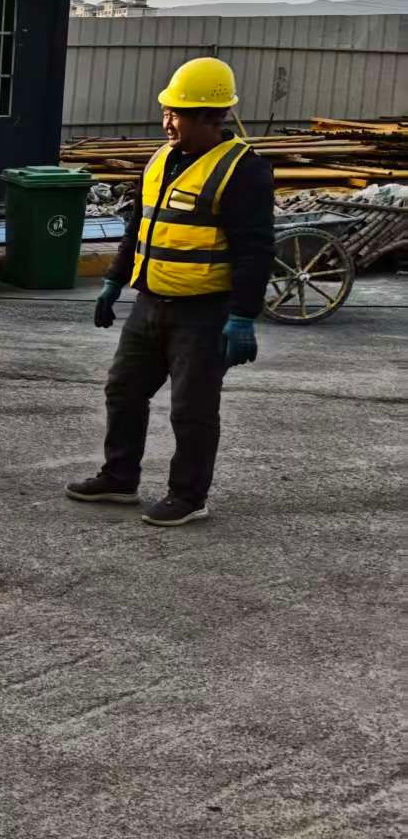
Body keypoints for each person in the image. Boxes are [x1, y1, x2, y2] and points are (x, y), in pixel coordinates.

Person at [65, 56, 275, 527]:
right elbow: (137, 227)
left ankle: (189, 496)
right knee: (122, 390)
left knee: (191, 409)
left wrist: (242, 316)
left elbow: (256, 251)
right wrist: (114, 282)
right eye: (167, 111)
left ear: (210, 117)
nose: (167, 123)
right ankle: (120, 478)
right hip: (150, 303)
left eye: (177, 114)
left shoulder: (244, 172)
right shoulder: (160, 160)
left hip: (205, 314)